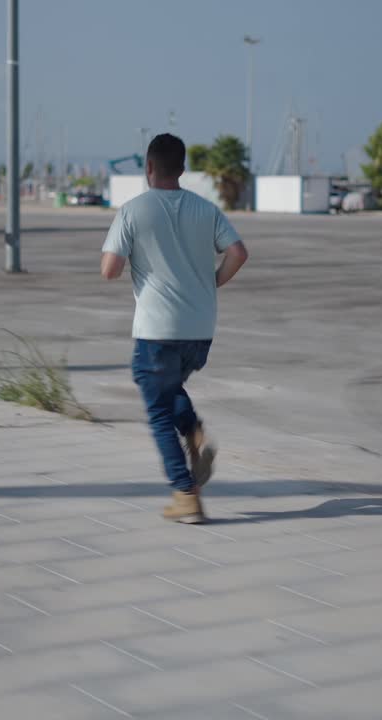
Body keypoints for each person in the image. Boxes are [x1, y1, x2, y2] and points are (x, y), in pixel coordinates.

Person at [100, 133, 249, 524]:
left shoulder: (132, 211)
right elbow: (238, 253)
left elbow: (109, 270)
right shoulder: (206, 209)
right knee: (166, 387)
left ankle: (185, 493)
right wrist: (213, 282)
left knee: (157, 409)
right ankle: (194, 430)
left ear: (149, 167)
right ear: (182, 169)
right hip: (200, 330)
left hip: (156, 329)